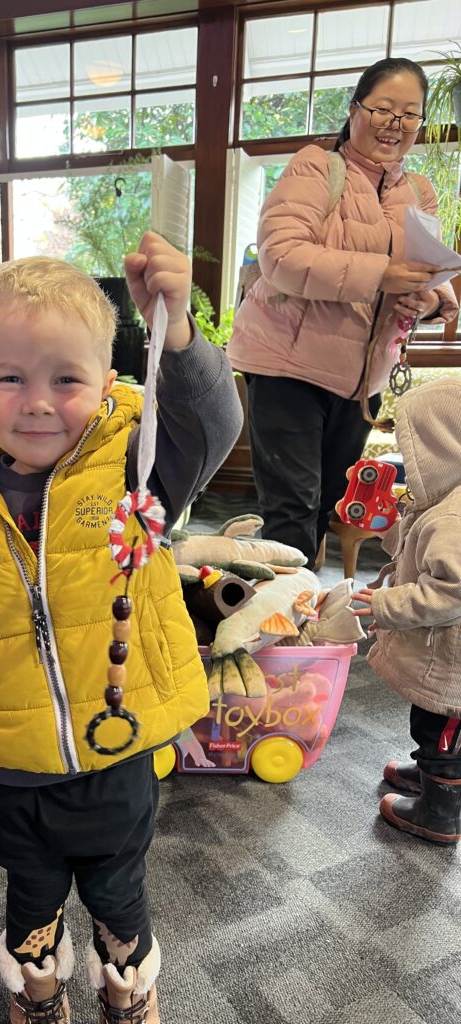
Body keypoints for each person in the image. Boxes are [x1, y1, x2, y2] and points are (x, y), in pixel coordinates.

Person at [0, 232, 243, 1024]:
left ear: (109, 383)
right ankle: (39, 991)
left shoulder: (137, 473)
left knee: (120, 894)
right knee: (30, 893)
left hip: (117, 753)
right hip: (18, 764)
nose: (38, 401)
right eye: (10, 377)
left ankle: (127, 988)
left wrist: (177, 331)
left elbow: (214, 424)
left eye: (66, 379)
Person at [227, 57, 458, 567]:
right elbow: (282, 256)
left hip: (360, 381)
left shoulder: (419, 192)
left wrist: (428, 299)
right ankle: (285, 614)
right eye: (382, 109)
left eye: (409, 114)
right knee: (292, 510)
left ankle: (300, 605)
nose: (394, 124)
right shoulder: (316, 167)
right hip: (288, 365)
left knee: (330, 504)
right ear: (355, 110)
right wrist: (382, 273)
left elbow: (426, 269)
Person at [351, 379, 461, 845]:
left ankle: (441, 811)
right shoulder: (446, 503)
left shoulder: (454, 517)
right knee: (432, 723)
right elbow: (422, 549)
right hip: (443, 652)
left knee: (443, 729)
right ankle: (431, 772)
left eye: (415, 447)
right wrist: (386, 527)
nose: (409, 462)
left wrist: (385, 604)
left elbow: (451, 591)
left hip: (452, 663)